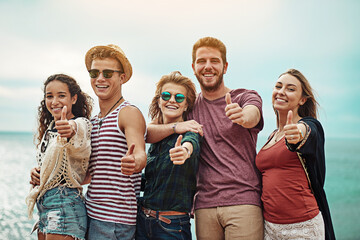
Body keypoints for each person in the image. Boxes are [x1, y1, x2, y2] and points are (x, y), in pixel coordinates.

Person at [147, 37, 264, 239]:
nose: (207, 66)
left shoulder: (244, 97)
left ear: (225, 66)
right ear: (194, 67)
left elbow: (253, 114)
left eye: (214, 61)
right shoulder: (189, 106)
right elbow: (149, 132)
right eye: (202, 61)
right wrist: (176, 127)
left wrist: (243, 117)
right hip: (204, 206)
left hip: (243, 201)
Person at [255, 69, 335, 239]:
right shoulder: (272, 136)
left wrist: (297, 134)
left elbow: (308, 132)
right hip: (270, 228)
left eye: (290, 89)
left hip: (301, 227)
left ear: (302, 100)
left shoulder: (308, 125)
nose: (281, 92)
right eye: (278, 86)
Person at [84, 44, 147, 240]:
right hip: (90, 213)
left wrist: (135, 163)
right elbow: (89, 175)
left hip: (114, 222)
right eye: (94, 73)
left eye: (108, 73)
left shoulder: (128, 113)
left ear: (121, 78)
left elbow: (140, 154)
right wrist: (45, 176)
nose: (100, 78)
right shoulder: (93, 121)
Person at [26, 73, 93, 240]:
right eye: (49, 96)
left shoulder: (81, 124)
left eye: (61, 95)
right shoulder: (50, 128)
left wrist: (69, 127)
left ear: (74, 98)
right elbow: (52, 165)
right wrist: (37, 173)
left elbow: (77, 129)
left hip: (64, 204)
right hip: (45, 204)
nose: (54, 101)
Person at [136, 71, 201, 239]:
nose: (172, 100)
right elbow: (152, 180)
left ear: (186, 105)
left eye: (179, 97)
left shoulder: (189, 131)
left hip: (171, 226)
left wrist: (184, 151)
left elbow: (191, 144)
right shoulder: (156, 137)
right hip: (142, 222)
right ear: (159, 101)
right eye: (166, 95)